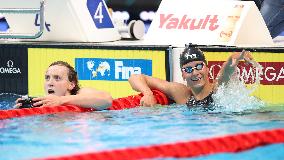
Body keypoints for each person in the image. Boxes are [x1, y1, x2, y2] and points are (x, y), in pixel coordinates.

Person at [128, 46, 253, 108]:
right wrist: (148, 94)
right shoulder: (182, 94)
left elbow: (227, 69)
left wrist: (236, 56)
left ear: (207, 68)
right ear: (183, 74)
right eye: (188, 69)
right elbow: (135, 77)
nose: (194, 73)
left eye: (199, 66)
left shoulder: (217, 90)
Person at [16, 61, 113, 110]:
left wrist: (61, 100)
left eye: (57, 78)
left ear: (71, 85)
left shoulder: (80, 93)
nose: (50, 83)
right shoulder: (44, 103)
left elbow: (107, 100)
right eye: (47, 78)